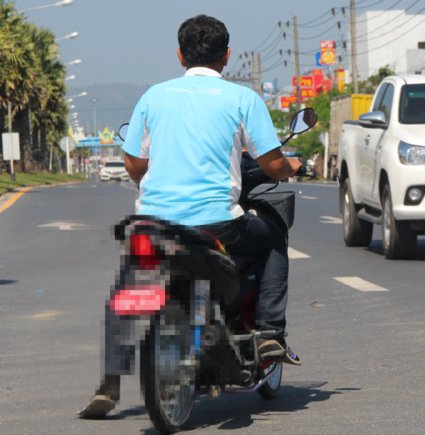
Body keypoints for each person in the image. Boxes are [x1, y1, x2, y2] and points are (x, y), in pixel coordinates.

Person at [79, 14, 303, 419]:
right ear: (227, 56)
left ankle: (109, 383)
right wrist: (293, 165)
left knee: (129, 286)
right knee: (272, 233)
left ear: (180, 55)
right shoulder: (242, 99)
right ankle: (271, 334)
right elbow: (271, 165)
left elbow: (133, 163)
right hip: (217, 223)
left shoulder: (153, 97)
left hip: (155, 221)